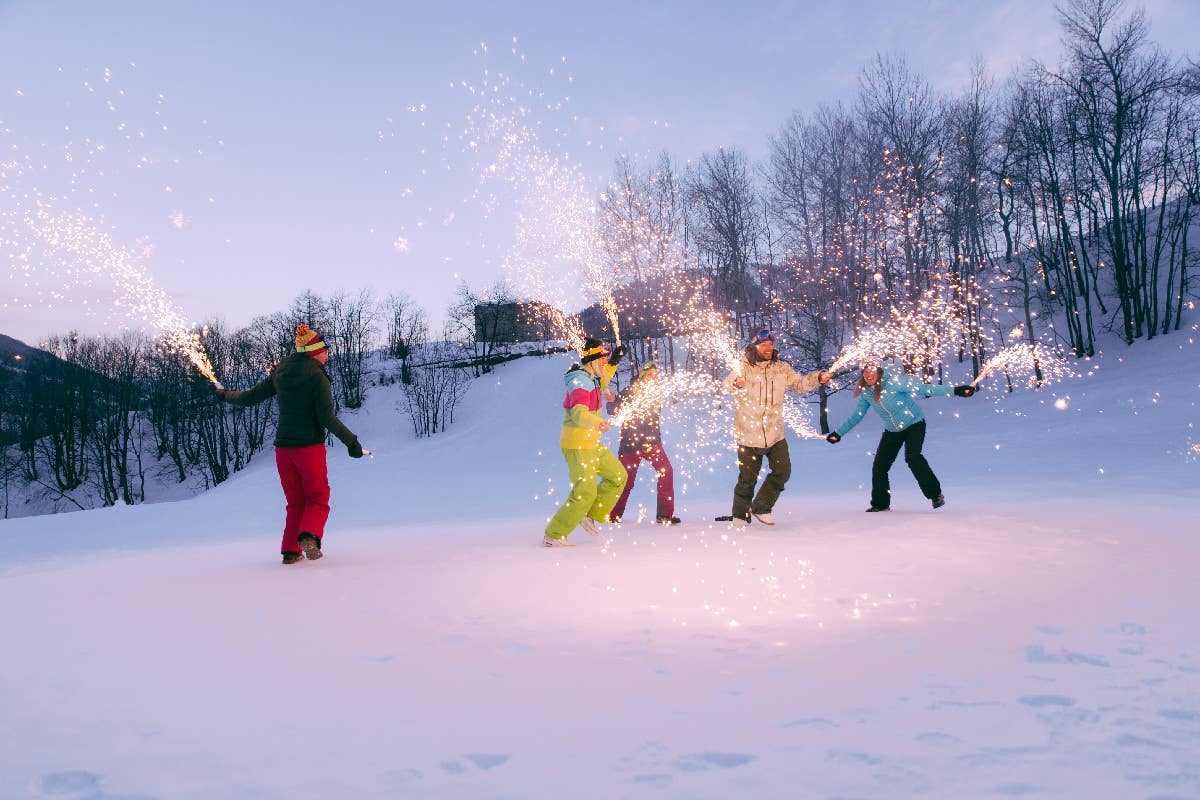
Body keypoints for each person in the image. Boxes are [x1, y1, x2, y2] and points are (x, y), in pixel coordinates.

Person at [216, 323, 365, 563]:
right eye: (325, 350)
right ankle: (309, 536)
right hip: (308, 448)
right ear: (313, 351)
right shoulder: (317, 376)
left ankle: (290, 551)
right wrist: (352, 443)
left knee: (295, 501)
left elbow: (248, 398)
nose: (327, 355)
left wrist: (224, 394)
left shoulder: (280, 371)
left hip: (283, 450)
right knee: (317, 496)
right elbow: (326, 417)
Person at [825, 360, 976, 512]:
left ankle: (935, 495)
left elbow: (924, 389)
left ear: (879, 372)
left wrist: (956, 391)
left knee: (912, 457)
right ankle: (880, 503)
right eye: (865, 372)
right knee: (879, 466)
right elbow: (857, 415)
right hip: (892, 431)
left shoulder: (895, 382)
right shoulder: (866, 392)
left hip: (914, 424)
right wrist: (838, 433)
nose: (868, 375)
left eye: (872, 371)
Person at [722, 329, 832, 528]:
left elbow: (799, 384)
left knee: (783, 471)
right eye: (764, 344)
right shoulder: (743, 367)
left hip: (775, 434)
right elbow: (726, 385)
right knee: (747, 479)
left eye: (771, 344)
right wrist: (736, 384)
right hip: (748, 434)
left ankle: (762, 507)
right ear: (755, 346)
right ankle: (739, 516)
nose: (768, 348)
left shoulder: (781, 368)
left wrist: (818, 378)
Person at [543, 337, 628, 547]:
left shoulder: (593, 378)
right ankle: (554, 535)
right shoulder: (580, 382)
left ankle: (588, 515)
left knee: (618, 476)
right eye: (602, 360)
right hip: (578, 444)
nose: (604, 364)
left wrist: (615, 360)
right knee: (585, 491)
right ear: (591, 361)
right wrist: (597, 422)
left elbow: (604, 378)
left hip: (592, 443)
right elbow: (578, 413)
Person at [607, 362, 679, 525]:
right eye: (649, 375)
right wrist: (612, 401)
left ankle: (665, 514)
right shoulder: (629, 392)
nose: (653, 378)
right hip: (630, 445)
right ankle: (613, 515)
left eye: (655, 375)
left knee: (666, 471)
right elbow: (614, 410)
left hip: (651, 442)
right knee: (626, 481)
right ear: (642, 376)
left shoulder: (656, 392)